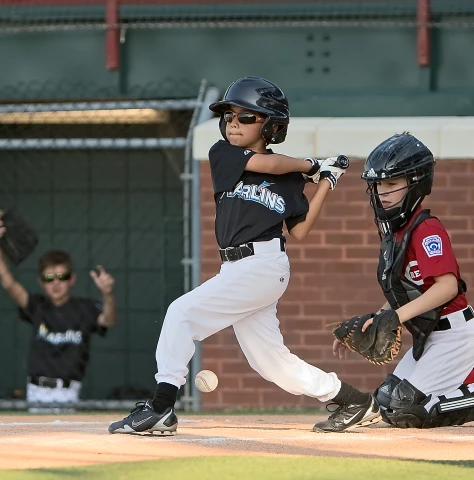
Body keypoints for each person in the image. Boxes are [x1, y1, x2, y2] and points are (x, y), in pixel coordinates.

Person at [108, 76, 380, 435]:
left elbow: (299, 230)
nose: (233, 123)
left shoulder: (289, 178)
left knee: (181, 314)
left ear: (270, 126)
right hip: (236, 269)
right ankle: (352, 399)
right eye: (229, 116)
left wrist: (326, 183)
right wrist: (312, 165)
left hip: (264, 266)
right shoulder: (225, 154)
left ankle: (161, 406)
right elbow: (267, 165)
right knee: (271, 364)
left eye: (246, 117)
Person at [333, 132, 474, 429]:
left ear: (415, 183)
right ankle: (473, 375)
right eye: (378, 185)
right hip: (430, 336)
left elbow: (447, 286)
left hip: (455, 334)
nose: (382, 192)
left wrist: (395, 319)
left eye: (391, 183)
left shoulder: (425, 229)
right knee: (386, 401)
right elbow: (405, 291)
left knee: (406, 410)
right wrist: (378, 319)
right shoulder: (396, 231)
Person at [0, 219, 116, 411]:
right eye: (49, 278)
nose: (56, 284)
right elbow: (8, 284)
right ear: (41, 282)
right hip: (36, 390)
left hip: (68, 392)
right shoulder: (37, 306)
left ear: (72, 279)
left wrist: (107, 294)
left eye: (62, 277)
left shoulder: (85, 308)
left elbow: (109, 319)